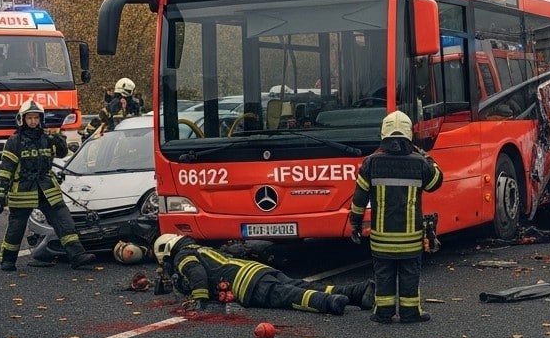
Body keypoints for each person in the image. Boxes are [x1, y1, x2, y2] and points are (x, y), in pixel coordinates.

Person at [349, 111, 443, 323]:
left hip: (381, 239)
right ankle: (410, 313)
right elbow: (436, 182)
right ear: (409, 135)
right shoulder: (419, 163)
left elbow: (359, 199)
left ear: (383, 135)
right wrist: (427, 157)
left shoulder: (370, 163)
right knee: (410, 274)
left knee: (384, 275)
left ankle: (383, 313)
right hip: (410, 239)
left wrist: (355, 224)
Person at [0, 100, 96, 271]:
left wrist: (59, 140)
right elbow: (6, 170)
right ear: (22, 119)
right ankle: (8, 260)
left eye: (36, 118)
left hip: (47, 187)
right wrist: (0, 194)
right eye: (30, 118)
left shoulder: (47, 138)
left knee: (64, 220)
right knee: (16, 226)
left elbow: (63, 153)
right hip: (23, 190)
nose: (33, 121)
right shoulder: (14, 141)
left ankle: (77, 256)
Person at [153, 233, 369, 314]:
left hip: (247, 284)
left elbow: (197, 275)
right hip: (257, 270)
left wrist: (200, 301)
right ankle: (358, 292)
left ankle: (330, 303)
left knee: (288, 296)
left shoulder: (182, 256)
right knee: (300, 285)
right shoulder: (200, 249)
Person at [80, 77, 145, 139]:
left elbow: (104, 115)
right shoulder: (130, 103)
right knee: (95, 122)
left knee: (95, 123)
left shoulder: (117, 101)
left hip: (114, 132)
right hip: (125, 132)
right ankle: (86, 135)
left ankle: (86, 136)